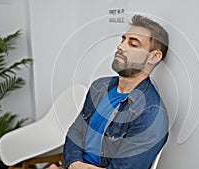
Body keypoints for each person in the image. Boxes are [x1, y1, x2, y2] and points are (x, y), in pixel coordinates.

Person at [48, 14, 169, 169]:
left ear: (154, 57)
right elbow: (76, 131)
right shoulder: (99, 87)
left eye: (133, 44)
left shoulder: (151, 114)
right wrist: (73, 164)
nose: (121, 46)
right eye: (123, 40)